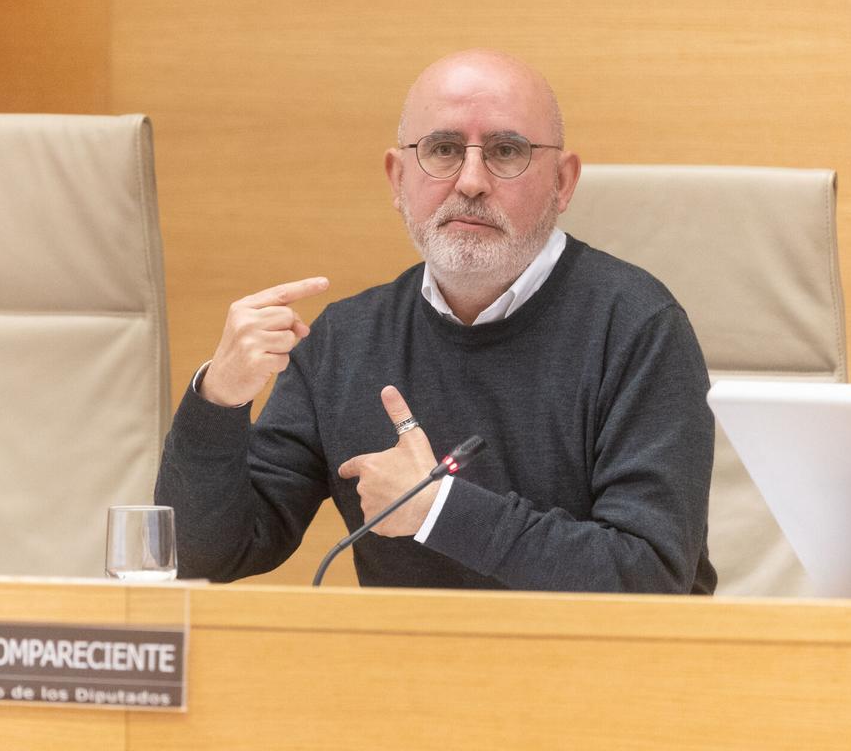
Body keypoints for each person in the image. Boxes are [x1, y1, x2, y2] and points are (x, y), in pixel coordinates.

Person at [155, 49, 716, 593]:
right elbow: (204, 558)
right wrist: (219, 398)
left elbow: (650, 574)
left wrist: (440, 510)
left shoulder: (639, 328)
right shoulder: (345, 341)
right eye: (443, 150)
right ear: (397, 179)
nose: (471, 181)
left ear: (562, 182)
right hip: (408, 655)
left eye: (506, 151)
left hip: (594, 658)